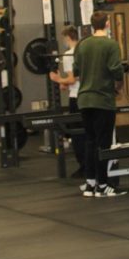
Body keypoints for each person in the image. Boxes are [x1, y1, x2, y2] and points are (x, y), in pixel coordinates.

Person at [73, 11, 126, 198]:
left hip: (85, 100)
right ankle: (103, 185)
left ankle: (90, 184)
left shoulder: (82, 44)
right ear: (107, 24)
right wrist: (118, 85)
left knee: (90, 141)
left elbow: (76, 70)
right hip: (103, 100)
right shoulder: (111, 45)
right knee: (103, 144)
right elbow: (116, 71)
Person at [49, 25, 87, 177]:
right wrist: (64, 82)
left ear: (67, 38)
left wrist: (58, 79)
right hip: (87, 96)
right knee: (88, 132)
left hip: (76, 98)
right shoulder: (85, 51)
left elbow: (72, 78)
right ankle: (90, 165)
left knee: (77, 134)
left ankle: (84, 167)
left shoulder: (68, 55)